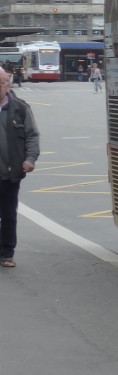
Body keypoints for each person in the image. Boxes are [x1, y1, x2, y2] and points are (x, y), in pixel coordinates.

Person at [0, 68, 39, 269]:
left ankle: (7, 253)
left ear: (8, 85)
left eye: (1, 83)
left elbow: (32, 135)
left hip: (10, 173)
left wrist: (30, 159)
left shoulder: (20, 108)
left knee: (8, 215)